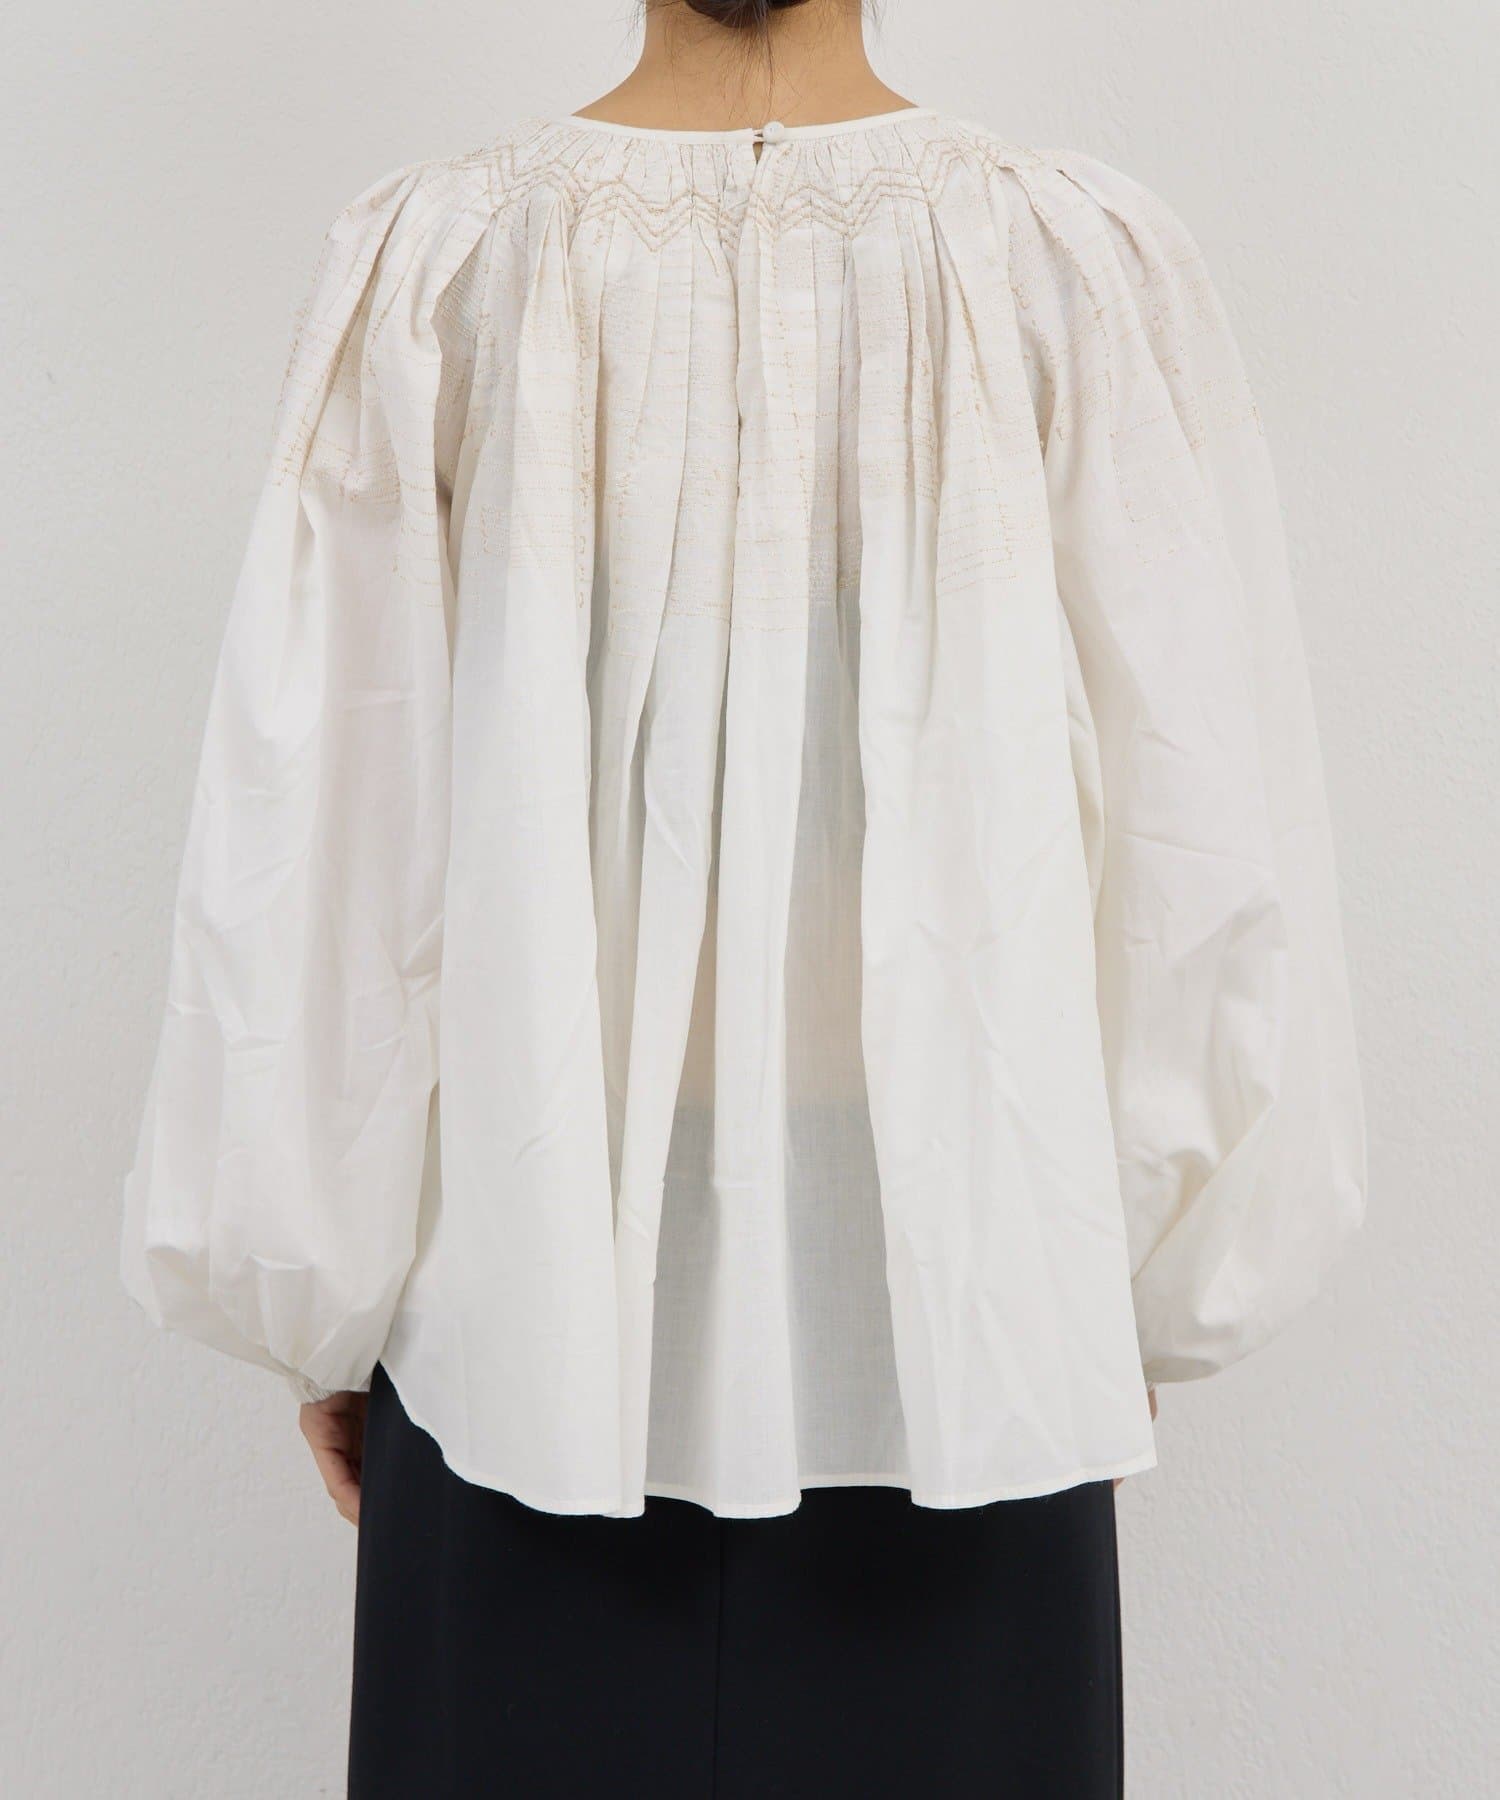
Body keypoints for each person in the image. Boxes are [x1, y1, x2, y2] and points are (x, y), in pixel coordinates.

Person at [121, 0, 1366, 1792]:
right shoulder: (1061, 261)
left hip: (521, 1322)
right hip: (953, 1328)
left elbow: (324, 831)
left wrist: (314, 1277)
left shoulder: (441, 264)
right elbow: (1194, 829)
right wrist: (1131, 1274)